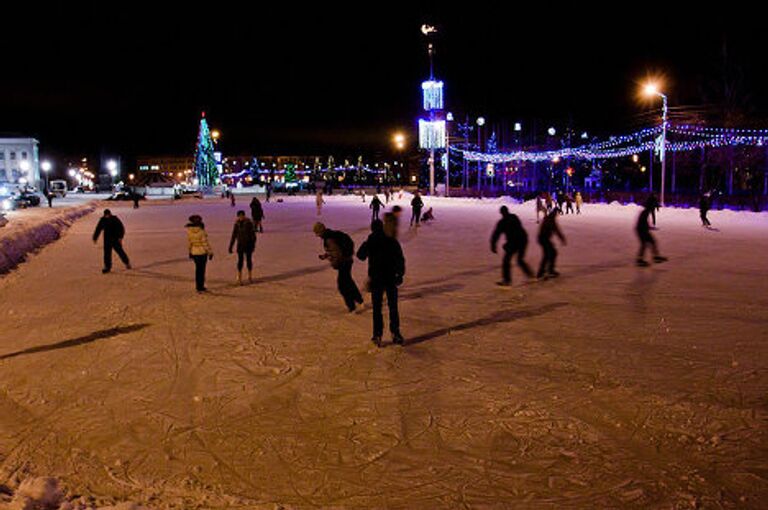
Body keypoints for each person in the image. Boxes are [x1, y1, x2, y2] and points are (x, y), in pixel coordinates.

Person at [357, 219, 405, 347]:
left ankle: (377, 335)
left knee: (377, 309)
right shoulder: (391, 240)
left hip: (376, 279)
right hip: (390, 278)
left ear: (372, 229)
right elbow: (400, 258)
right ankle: (396, 333)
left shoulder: (371, 241)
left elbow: (360, 256)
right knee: (393, 307)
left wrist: (366, 243)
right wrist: (400, 274)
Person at [314, 222, 363, 312]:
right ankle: (359, 299)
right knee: (348, 280)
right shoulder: (332, 235)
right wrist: (326, 255)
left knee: (342, 285)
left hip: (343, 262)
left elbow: (337, 253)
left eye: (317, 233)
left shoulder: (329, 239)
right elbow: (334, 250)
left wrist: (336, 264)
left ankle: (352, 307)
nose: (317, 235)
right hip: (347, 259)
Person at [491, 206, 534, 286]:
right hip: (522, 240)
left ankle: (507, 280)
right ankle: (530, 275)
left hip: (517, 241)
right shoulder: (514, 217)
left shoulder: (503, 222)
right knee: (519, 259)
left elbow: (496, 235)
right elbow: (496, 234)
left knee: (507, 261)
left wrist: (493, 245)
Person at [93, 209, 131, 274]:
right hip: (107, 240)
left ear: (110, 214)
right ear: (104, 215)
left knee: (120, 252)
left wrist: (120, 237)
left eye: (108, 214)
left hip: (115, 239)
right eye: (106, 215)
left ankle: (127, 262)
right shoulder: (102, 220)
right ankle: (107, 267)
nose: (107, 216)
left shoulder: (115, 219)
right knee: (107, 254)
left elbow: (121, 228)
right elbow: (98, 229)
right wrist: (95, 237)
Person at [186, 215, 214, 292]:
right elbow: (205, 243)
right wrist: (210, 252)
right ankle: (201, 286)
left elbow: (189, 242)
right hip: (202, 253)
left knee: (198, 270)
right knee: (202, 270)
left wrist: (190, 252)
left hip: (194, 252)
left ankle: (198, 286)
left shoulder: (189, 231)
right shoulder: (201, 231)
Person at [228, 210, 257, 284]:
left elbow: (253, 236)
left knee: (248, 260)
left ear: (244, 215)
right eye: (239, 216)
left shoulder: (249, 223)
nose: (241, 217)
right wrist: (231, 246)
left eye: (242, 215)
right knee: (240, 261)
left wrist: (253, 245)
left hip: (248, 245)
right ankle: (239, 277)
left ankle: (250, 276)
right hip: (240, 245)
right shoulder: (236, 224)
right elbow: (233, 235)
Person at [537, 210, 567, 278]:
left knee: (549, 254)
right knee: (551, 254)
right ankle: (547, 271)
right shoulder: (551, 220)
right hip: (544, 239)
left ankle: (544, 271)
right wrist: (562, 239)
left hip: (543, 239)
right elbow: (557, 230)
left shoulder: (548, 218)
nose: (557, 216)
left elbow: (556, 230)